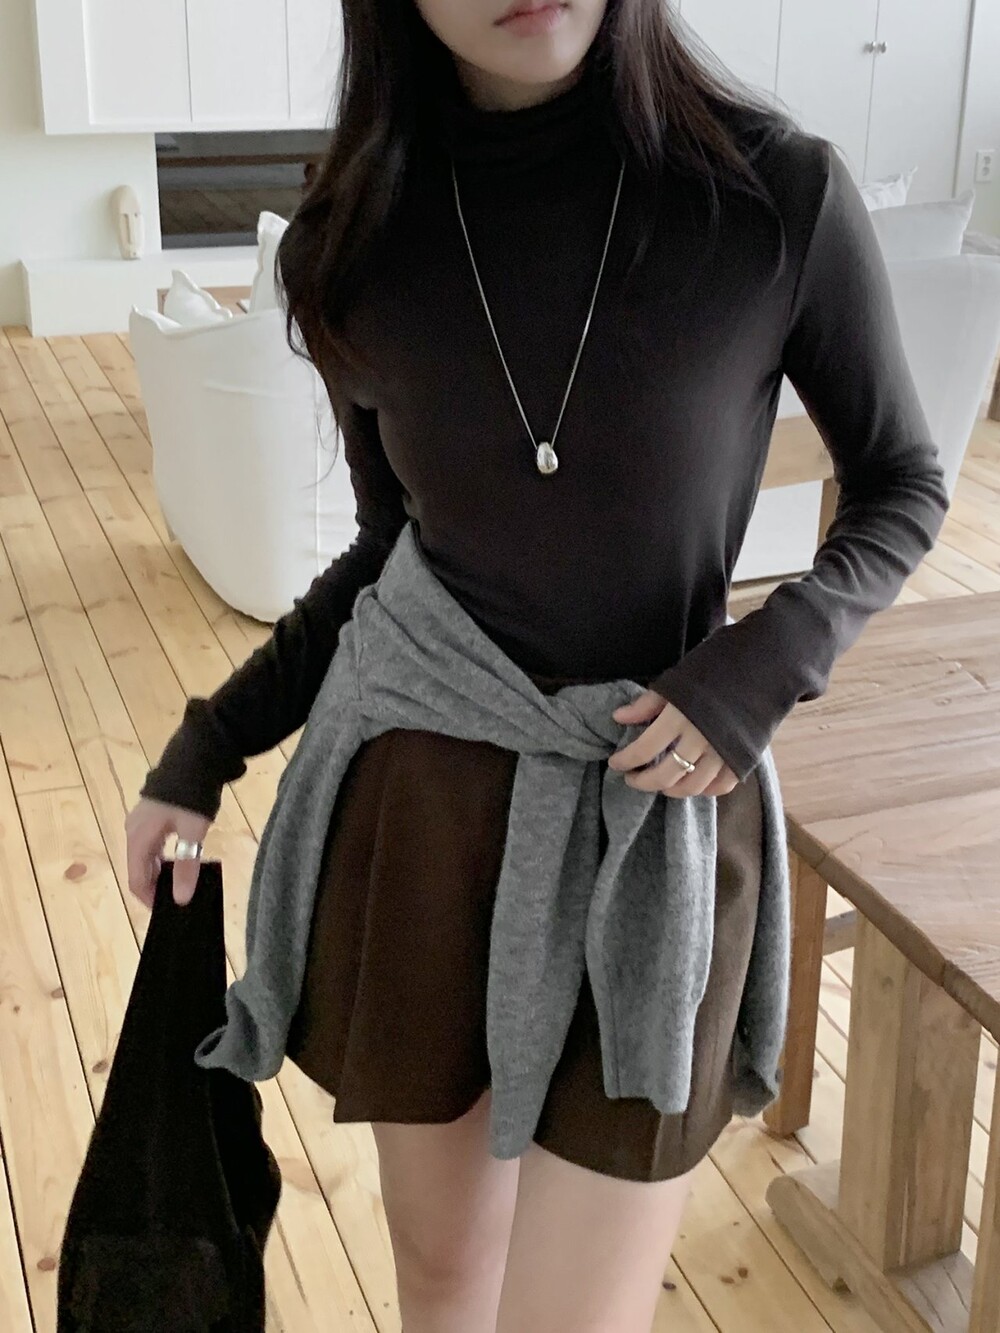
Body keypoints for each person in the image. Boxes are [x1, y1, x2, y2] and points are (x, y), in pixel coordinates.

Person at [126, 1, 950, 1329]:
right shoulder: (358, 237)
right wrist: (205, 748)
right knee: (445, 1274)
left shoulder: (772, 197)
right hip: (427, 810)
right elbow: (389, 556)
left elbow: (902, 481)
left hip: (655, 816)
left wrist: (762, 666)